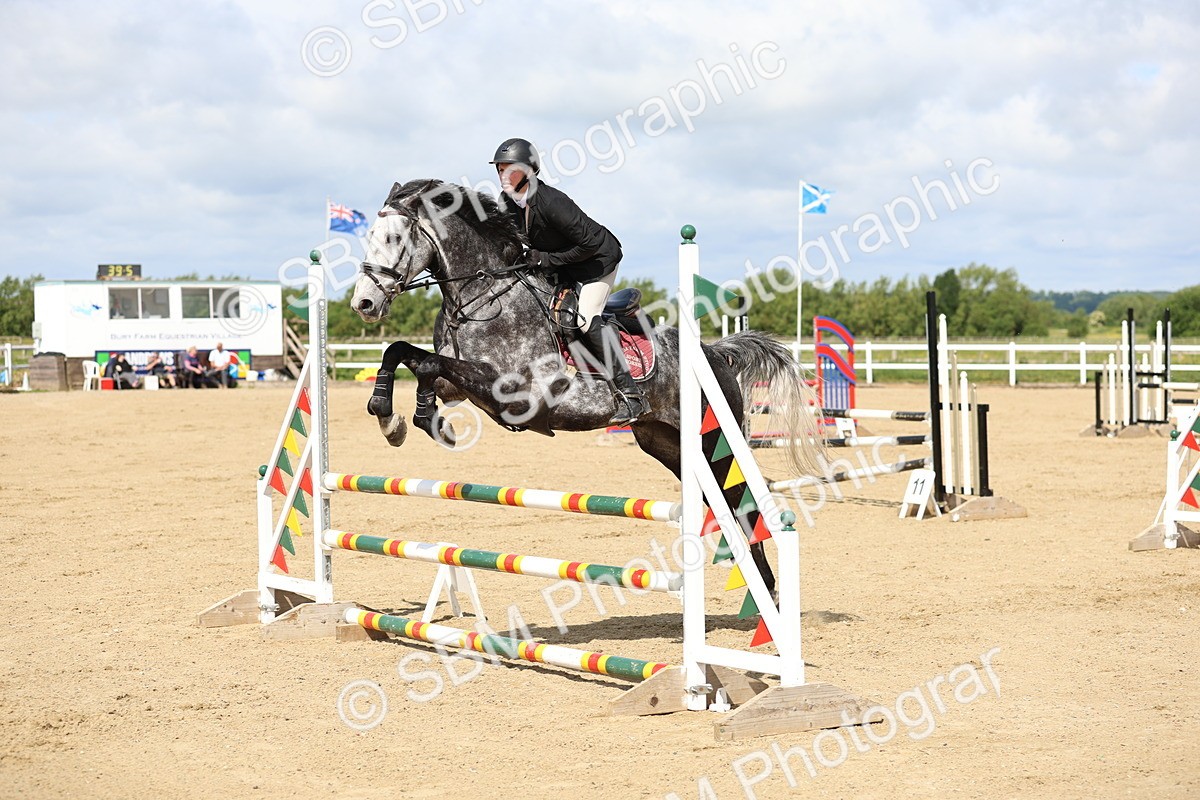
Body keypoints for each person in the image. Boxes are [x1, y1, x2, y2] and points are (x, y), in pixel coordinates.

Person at [490, 137, 648, 422]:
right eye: (500, 170)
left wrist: (545, 260)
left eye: (509, 170)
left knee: (585, 318)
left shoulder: (552, 202)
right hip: (563, 265)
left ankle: (631, 394)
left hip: (597, 262)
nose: (503, 176)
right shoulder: (506, 202)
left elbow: (588, 245)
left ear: (528, 171)